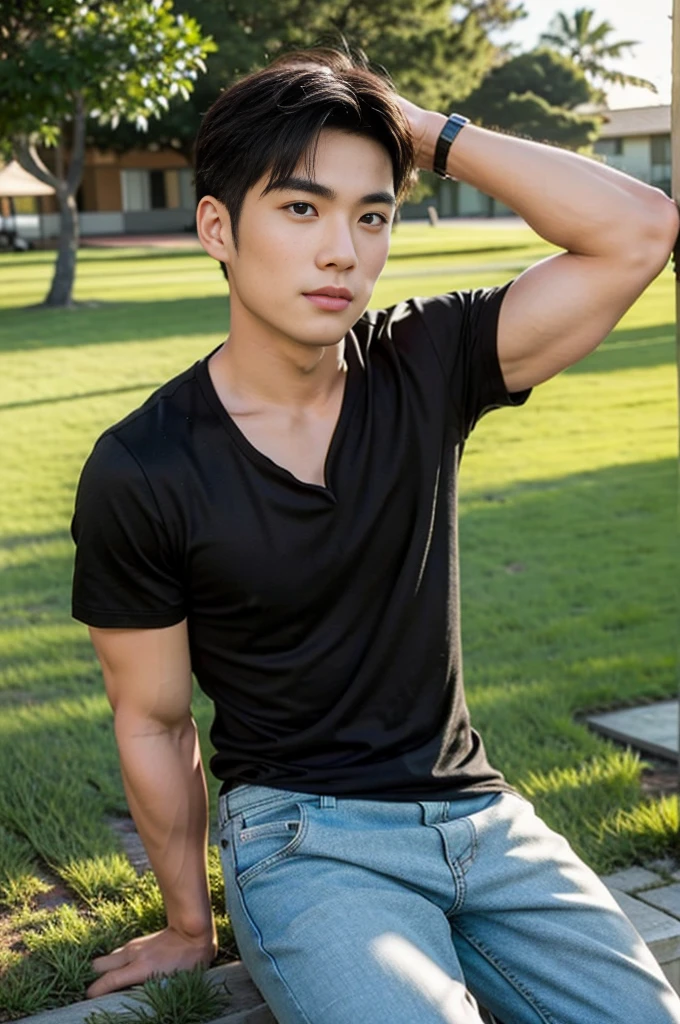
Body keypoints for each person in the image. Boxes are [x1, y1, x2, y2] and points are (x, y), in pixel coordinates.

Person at [69, 44, 680, 1024]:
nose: (340, 251)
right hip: (304, 837)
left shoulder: (422, 361)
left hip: (485, 819)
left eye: (371, 214)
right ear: (217, 228)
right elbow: (152, 718)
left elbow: (638, 229)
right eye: (300, 208)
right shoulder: (143, 467)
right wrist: (189, 922)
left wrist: (413, 124)